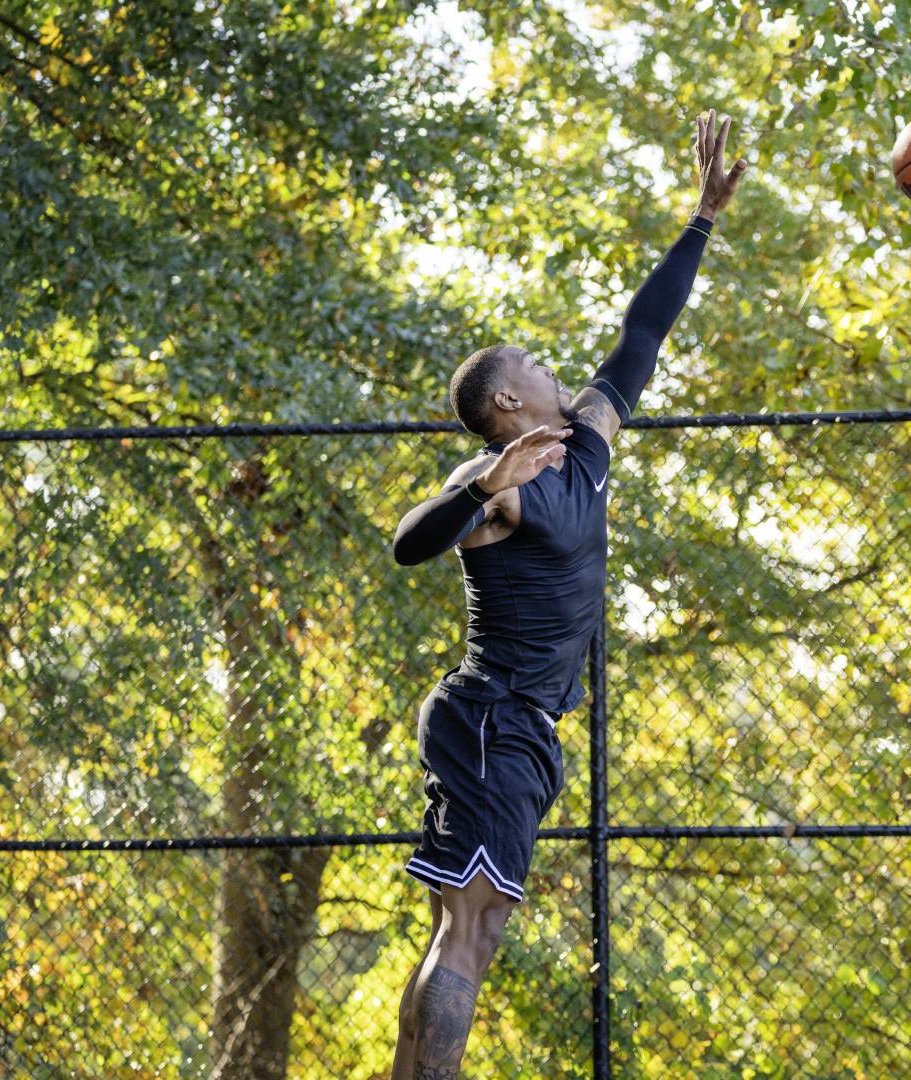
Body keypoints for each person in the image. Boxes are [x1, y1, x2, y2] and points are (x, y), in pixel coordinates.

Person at [386, 109, 747, 1079]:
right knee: (474, 929)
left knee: (463, 926)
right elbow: (407, 547)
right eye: (534, 368)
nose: (557, 370)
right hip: (492, 717)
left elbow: (643, 332)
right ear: (507, 402)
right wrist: (478, 486)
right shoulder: (497, 491)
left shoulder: (585, 443)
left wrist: (702, 219)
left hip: (517, 726)